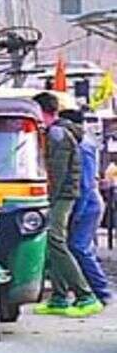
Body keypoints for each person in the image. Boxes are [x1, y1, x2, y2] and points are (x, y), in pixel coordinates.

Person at [32, 93, 103, 317]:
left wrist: (48, 201)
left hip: (61, 196)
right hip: (62, 195)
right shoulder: (55, 132)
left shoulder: (57, 133)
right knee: (53, 242)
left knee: (55, 240)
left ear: (42, 111)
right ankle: (59, 298)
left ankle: (85, 296)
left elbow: (57, 173)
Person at [60, 110, 112, 306]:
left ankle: (101, 292)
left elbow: (85, 184)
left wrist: (77, 213)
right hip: (87, 203)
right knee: (80, 248)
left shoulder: (83, 147)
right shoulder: (84, 143)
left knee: (79, 248)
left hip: (88, 205)